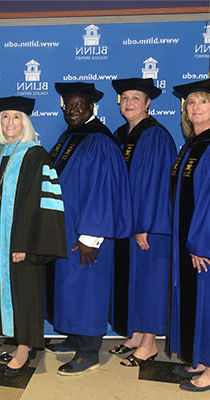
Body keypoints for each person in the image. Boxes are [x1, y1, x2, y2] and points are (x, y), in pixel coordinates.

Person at [45, 82, 133, 375]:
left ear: (91, 108)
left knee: (86, 288)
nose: (72, 111)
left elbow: (101, 191)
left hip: (86, 235)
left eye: (79, 106)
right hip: (67, 229)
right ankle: (74, 336)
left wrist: (90, 237)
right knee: (71, 287)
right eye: (68, 106)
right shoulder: (72, 136)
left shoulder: (98, 141)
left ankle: (89, 352)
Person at [0, 96, 67, 376]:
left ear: (25, 122)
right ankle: (17, 340)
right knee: (10, 291)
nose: (10, 122)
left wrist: (25, 243)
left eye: (16, 117)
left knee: (25, 292)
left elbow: (39, 202)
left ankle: (25, 348)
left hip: (22, 242)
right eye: (5, 117)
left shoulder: (35, 154)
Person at [107, 78, 176, 366]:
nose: (129, 102)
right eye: (124, 97)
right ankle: (136, 334)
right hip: (128, 223)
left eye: (136, 97)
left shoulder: (154, 135)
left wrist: (143, 224)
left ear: (148, 103)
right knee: (133, 280)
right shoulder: (121, 134)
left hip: (149, 225)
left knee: (149, 282)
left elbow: (155, 185)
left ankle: (149, 344)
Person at [167, 79, 210, 392]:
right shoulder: (192, 145)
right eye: (190, 103)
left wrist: (200, 243)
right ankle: (199, 358)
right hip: (189, 239)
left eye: (203, 102)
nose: (194, 108)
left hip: (203, 243)